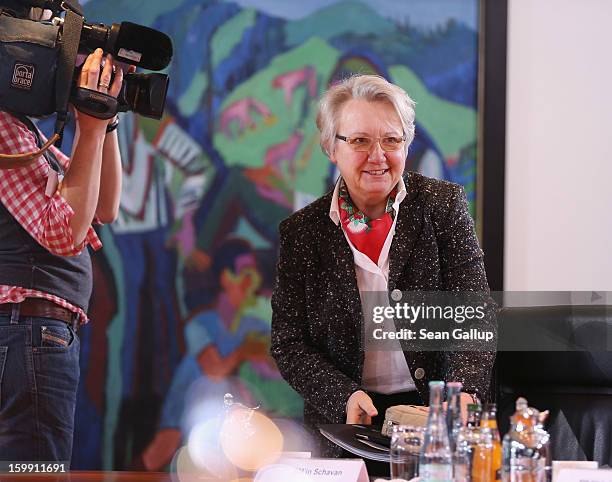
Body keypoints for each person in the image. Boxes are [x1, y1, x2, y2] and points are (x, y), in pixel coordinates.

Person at [270, 74, 495, 456]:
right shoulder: (303, 232)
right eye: (359, 141)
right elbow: (289, 343)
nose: (378, 156)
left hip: (435, 420)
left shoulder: (443, 207)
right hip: (347, 426)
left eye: (392, 140)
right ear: (330, 147)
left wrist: (462, 394)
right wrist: (343, 396)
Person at [0, 6, 129, 463]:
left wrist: (105, 120)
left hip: (32, 334)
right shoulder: (2, 129)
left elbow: (105, 208)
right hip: (25, 331)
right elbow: (65, 235)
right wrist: (89, 129)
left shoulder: (25, 131)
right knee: (35, 473)